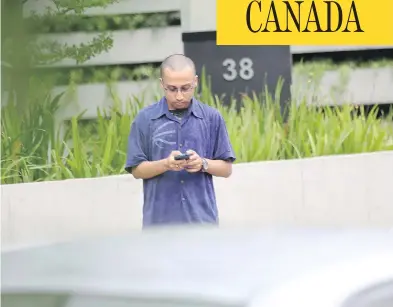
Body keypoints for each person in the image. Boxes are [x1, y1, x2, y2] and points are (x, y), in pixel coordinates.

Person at [125, 54, 236, 227]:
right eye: (172, 89)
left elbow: (226, 169)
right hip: (159, 225)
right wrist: (165, 164)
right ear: (162, 84)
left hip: (202, 223)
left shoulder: (211, 118)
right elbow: (137, 170)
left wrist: (202, 163)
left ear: (195, 82)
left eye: (185, 88)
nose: (179, 96)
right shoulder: (145, 119)